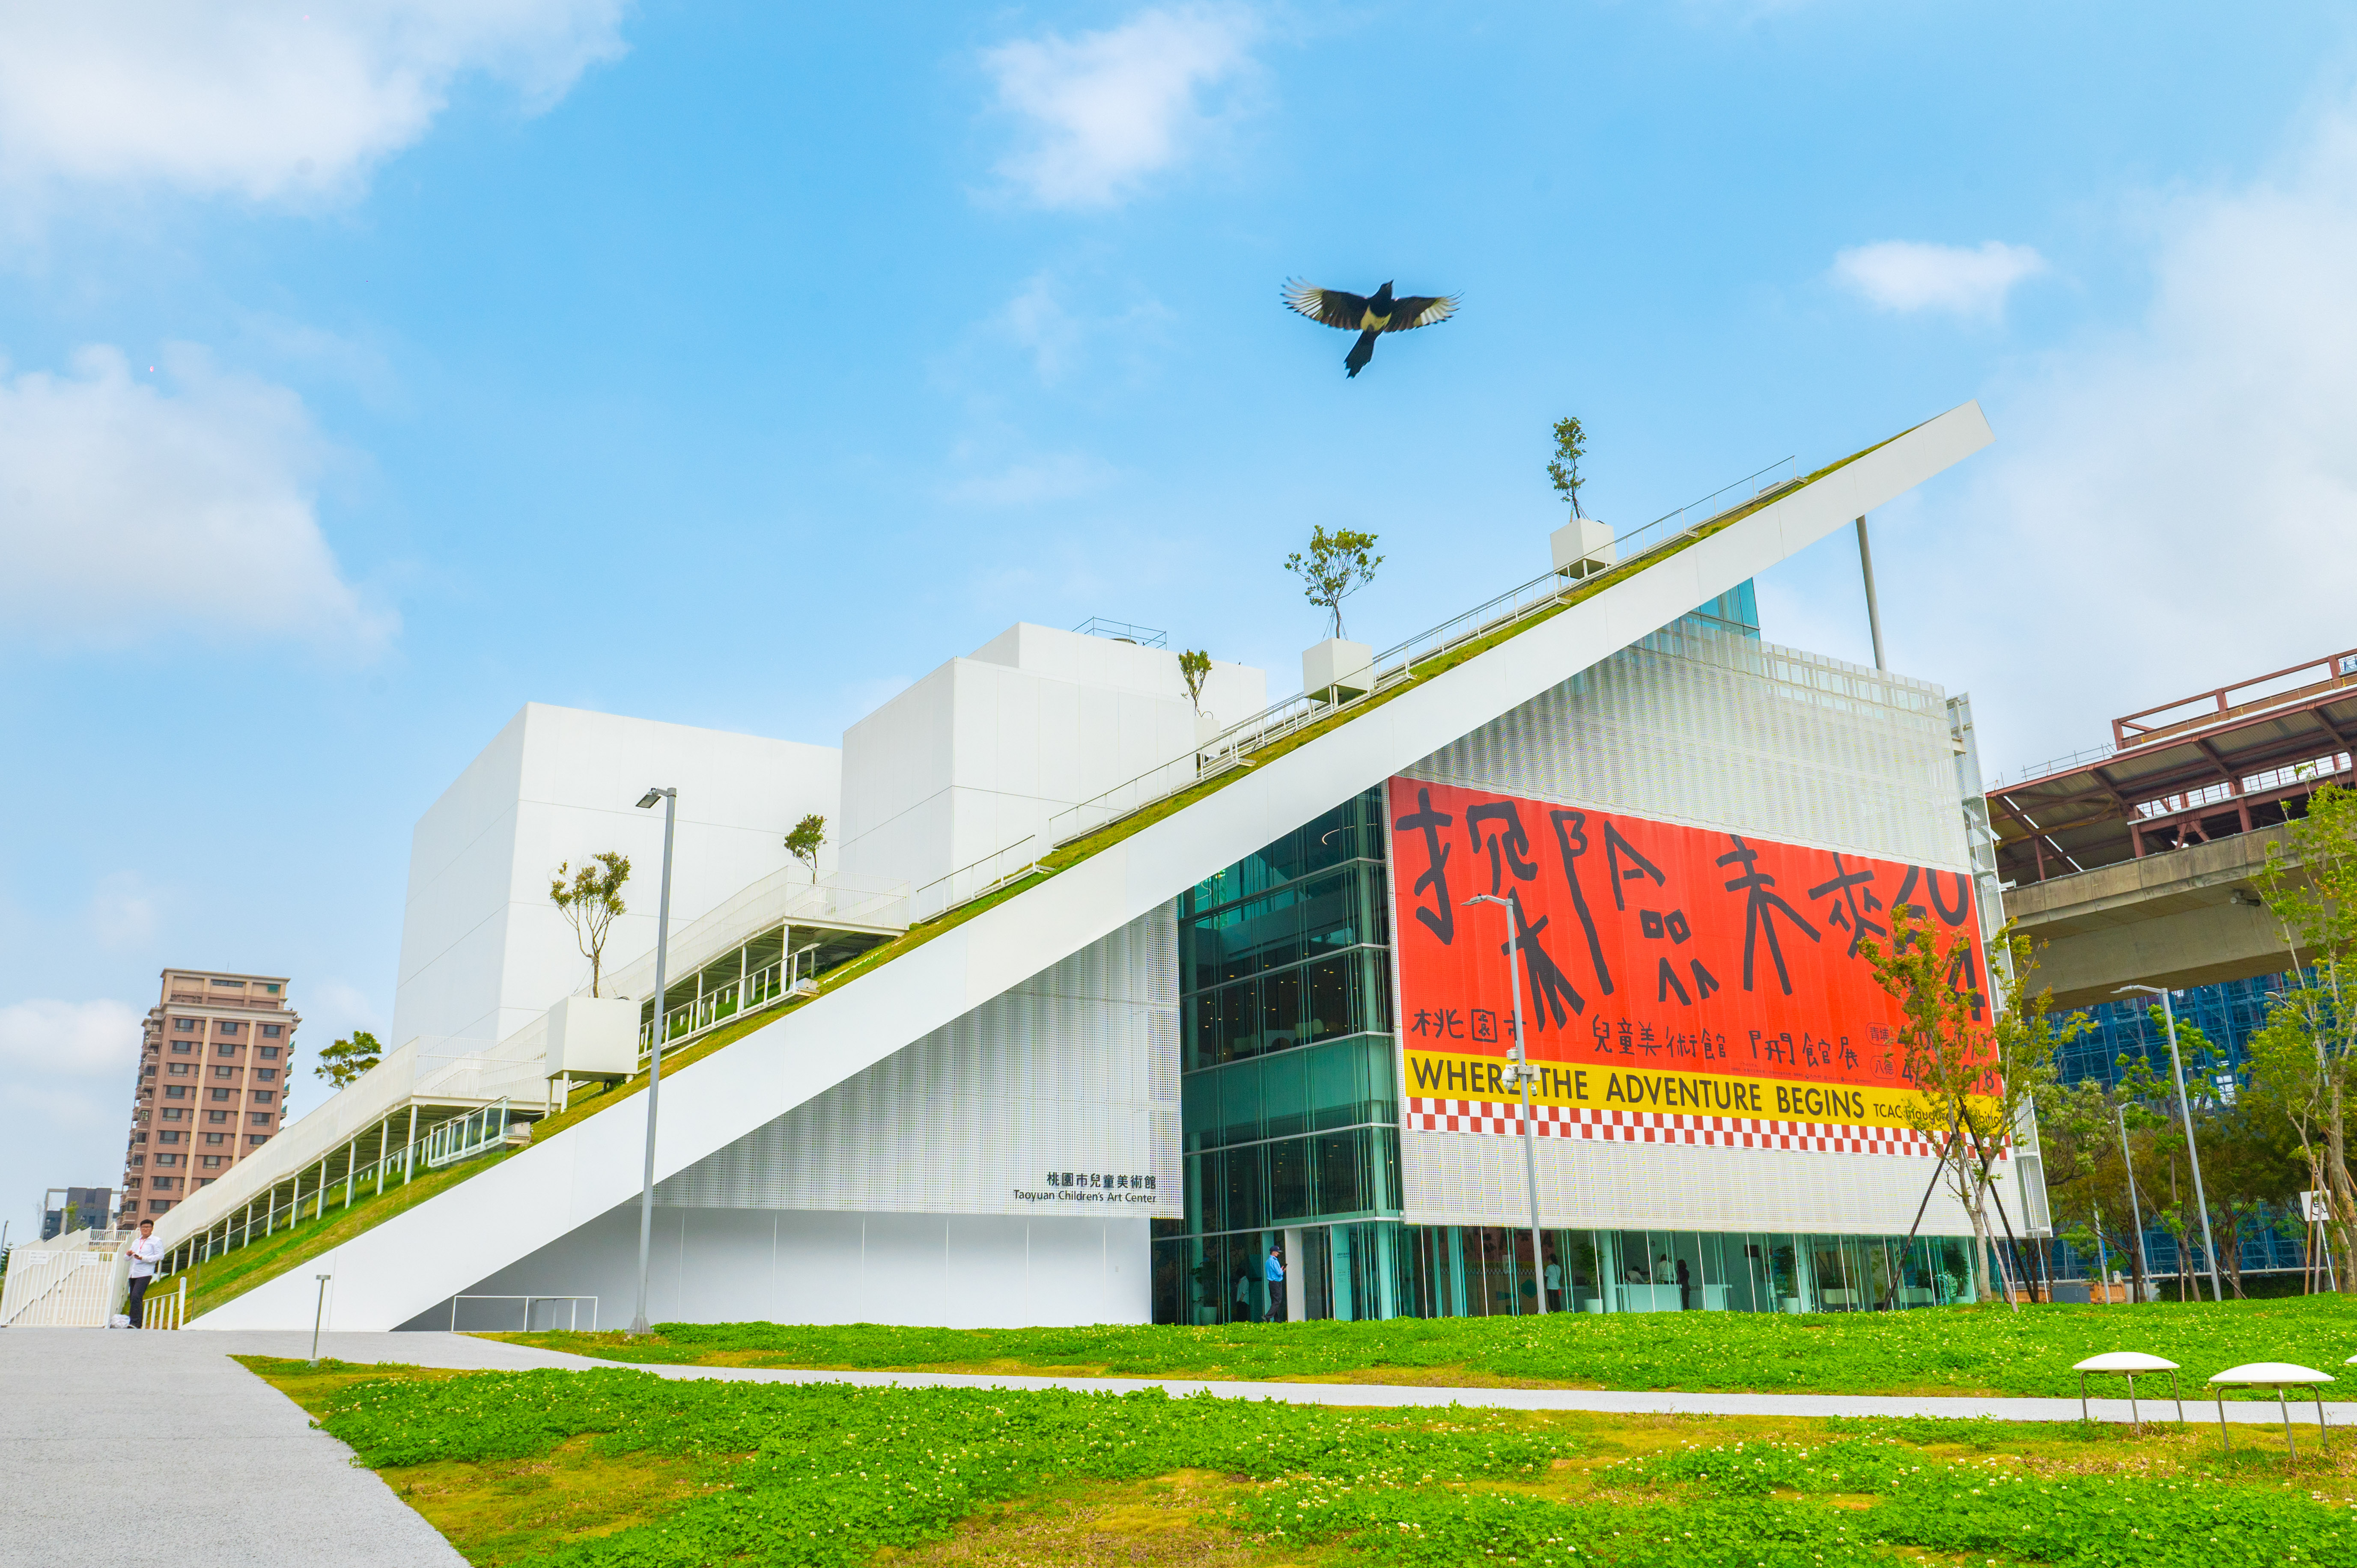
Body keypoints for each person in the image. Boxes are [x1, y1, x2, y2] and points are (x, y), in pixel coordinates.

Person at [123, 1220, 163, 1328]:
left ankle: (135, 1322)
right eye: (143, 1227)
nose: (145, 1229)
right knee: (134, 1298)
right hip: (133, 1273)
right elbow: (127, 1259)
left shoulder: (156, 1241)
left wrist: (143, 1258)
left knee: (136, 1296)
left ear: (152, 1228)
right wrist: (128, 1254)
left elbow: (160, 1256)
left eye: (148, 1227)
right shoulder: (136, 1241)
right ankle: (135, 1323)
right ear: (140, 1228)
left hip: (145, 1273)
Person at [1264, 1244, 1287, 1321]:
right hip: (1276, 1283)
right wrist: (1282, 1270)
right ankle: (1267, 1316)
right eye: (1277, 1252)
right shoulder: (1274, 1261)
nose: (1278, 1254)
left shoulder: (1267, 1261)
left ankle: (1277, 1320)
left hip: (1271, 1283)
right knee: (1278, 1301)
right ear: (1273, 1253)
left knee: (1274, 1301)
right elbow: (1279, 1273)